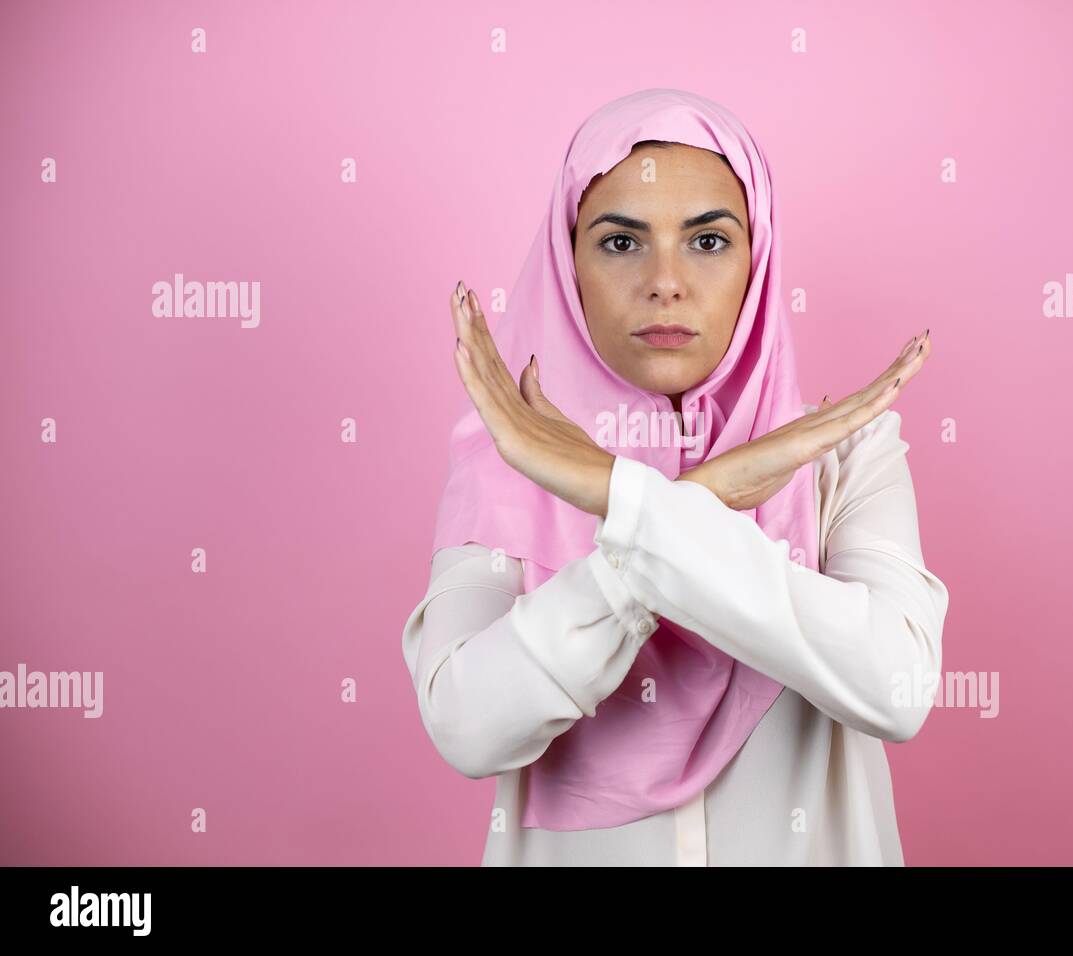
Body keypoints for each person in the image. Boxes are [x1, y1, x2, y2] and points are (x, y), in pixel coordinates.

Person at [400, 88, 950, 865]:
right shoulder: (509, 466)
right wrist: (703, 497)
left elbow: (895, 685)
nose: (665, 281)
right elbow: (469, 724)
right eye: (621, 243)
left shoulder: (844, 454)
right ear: (568, 267)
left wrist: (618, 497)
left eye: (709, 241)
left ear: (757, 265)